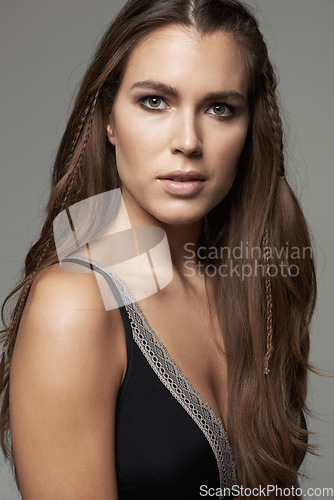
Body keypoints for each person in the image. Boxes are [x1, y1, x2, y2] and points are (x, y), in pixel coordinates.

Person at [0, 0, 316, 498]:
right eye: (154, 101)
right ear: (108, 118)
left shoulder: (251, 289)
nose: (187, 140)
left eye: (219, 108)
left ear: (247, 128)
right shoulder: (75, 303)